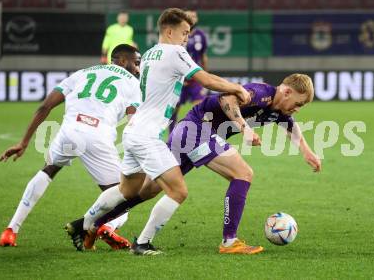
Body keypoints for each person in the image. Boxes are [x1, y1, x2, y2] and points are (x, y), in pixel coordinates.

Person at [65, 7, 250, 254]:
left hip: (133, 132)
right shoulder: (175, 52)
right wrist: (236, 87)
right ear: (170, 31)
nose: (187, 38)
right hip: (147, 136)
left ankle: (85, 224)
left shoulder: (150, 53)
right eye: (184, 32)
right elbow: (205, 79)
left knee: (127, 190)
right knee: (178, 190)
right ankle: (142, 244)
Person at [81, 74, 322, 255]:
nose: (297, 110)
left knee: (148, 190)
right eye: (298, 104)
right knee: (243, 173)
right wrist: (244, 128)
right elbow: (228, 97)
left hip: (188, 132)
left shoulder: (278, 108)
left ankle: (93, 227)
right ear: (287, 91)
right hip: (197, 130)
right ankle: (229, 242)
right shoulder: (262, 93)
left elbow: (289, 123)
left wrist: (306, 151)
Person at [0, 44, 141, 250]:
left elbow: (45, 106)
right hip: (97, 135)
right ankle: (104, 227)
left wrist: (24, 142)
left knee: (48, 169)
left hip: (69, 130)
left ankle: (10, 230)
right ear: (121, 60)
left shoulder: (82, 73)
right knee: (125, 195)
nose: (137, 69)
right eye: (136, 63)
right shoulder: (133, 84)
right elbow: (132, 119)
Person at [169, 10, 208, 132]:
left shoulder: (201, 35)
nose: (192, 17)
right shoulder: (176, 34)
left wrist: (205, 77)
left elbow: (203, 57)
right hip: (179, 78)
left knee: (201, 107)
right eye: (189, 15)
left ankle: (201, 136)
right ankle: (171, 135)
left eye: (194, 15)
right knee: (174, 108)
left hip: (195, 78)